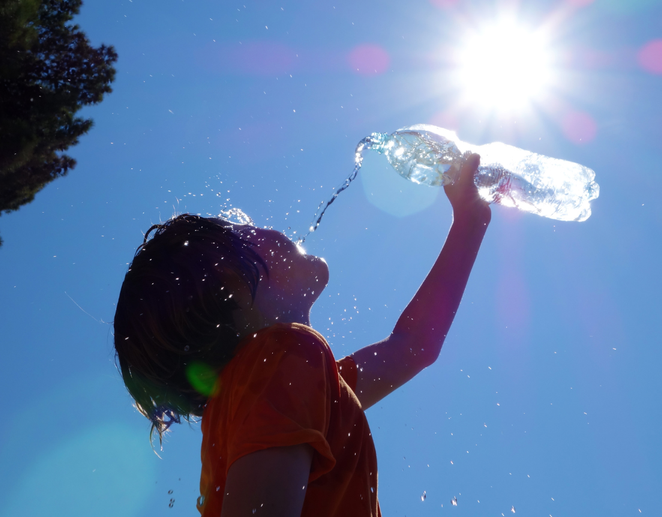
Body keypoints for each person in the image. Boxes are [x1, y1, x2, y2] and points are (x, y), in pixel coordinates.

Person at [113, 153, 491, 516]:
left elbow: (412, 347)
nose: (267, 228)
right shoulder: (280, 361)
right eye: (246, 232)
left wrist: (470, 221)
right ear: (232, 284)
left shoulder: (280, 386)